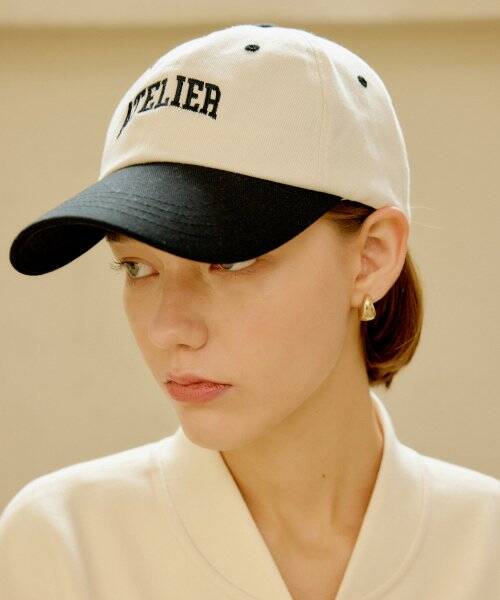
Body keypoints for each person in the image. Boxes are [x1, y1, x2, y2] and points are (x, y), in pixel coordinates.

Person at [2, 23, 499, 600]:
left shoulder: (485, 551)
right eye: (137, 267)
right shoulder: (62, 545)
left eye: (231, 261)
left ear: (372, 257)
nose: (168, 328)